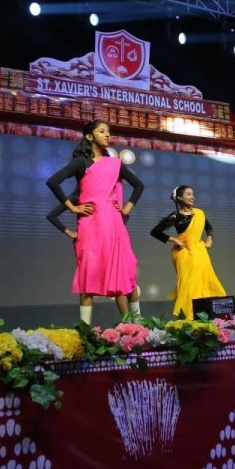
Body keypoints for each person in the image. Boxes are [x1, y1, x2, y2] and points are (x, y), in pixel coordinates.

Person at [45, 119, 145, 324]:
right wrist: (72, 207)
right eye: (102, 131)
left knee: (125, 273)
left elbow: (138, 185)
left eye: (108, 131)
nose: (107, 135)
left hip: (113, 224)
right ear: (89, 136)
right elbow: (53, 181)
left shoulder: (115, 164)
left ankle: (138, 327)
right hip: (90, 224)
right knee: (88, 276)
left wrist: (126, 208)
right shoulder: (81, 162)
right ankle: (85, 332)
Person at [149, 185, 226, 320]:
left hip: (200, 252)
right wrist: (174, 240)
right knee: (188, 285)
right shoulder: (176, 216)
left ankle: (208, 316)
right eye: (189, 194)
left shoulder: (199, 213)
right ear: (179, 197)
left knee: (206, 281)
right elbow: (155, 232)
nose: (192, 197)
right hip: (184, 253)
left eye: (193, 194)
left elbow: (209, 228)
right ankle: (189, 318)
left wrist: (209, 240)